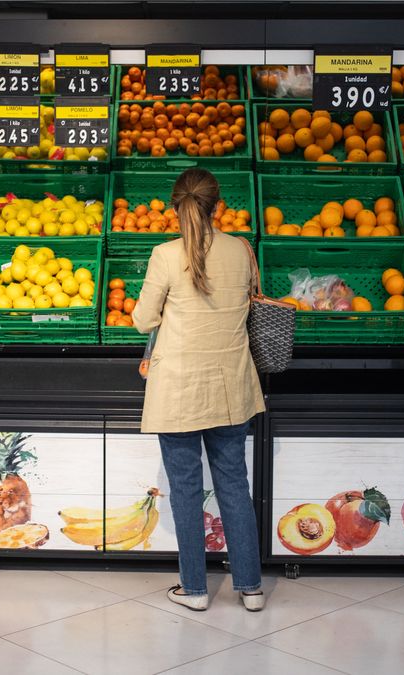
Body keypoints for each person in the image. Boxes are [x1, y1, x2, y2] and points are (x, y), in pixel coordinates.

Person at [133, 168, 266, 612]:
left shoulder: (165, 255)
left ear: (175, 206)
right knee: (234, 485)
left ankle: (194, 589)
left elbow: (143, 319)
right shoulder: (241, 250)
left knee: (186, 489)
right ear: (217, 204)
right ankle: (250, 588)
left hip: (179, 389)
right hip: (231, 385)